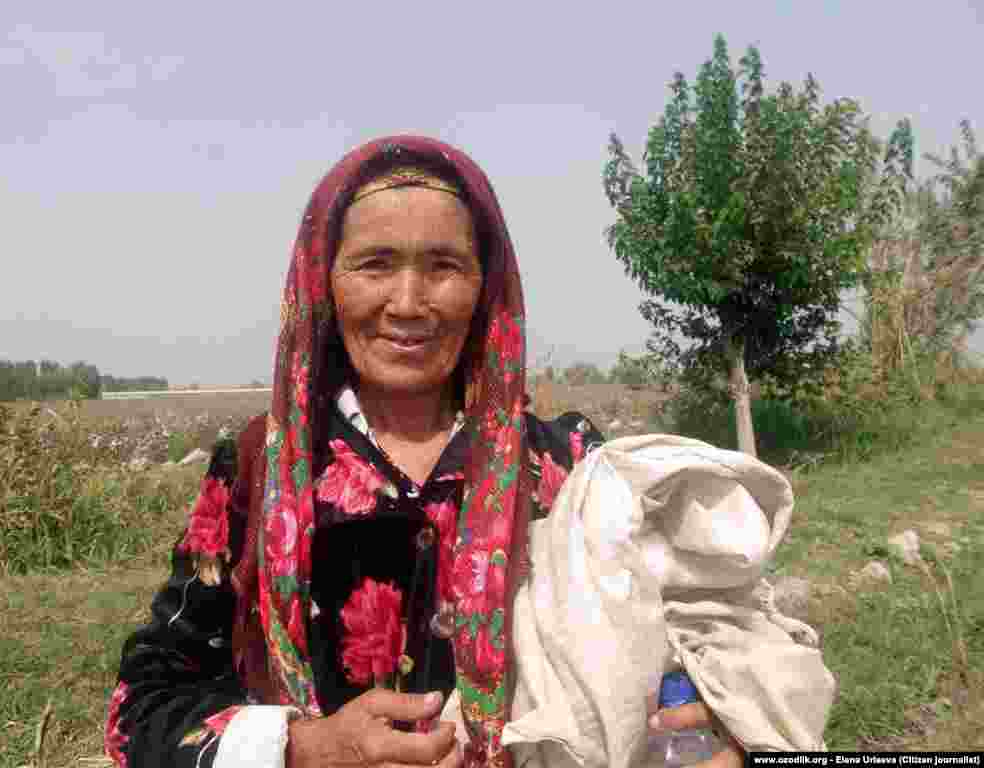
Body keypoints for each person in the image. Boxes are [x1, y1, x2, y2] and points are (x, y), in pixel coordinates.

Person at [104, 136, 745, 768]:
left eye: (444, 266)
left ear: (485, 286)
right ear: (324, 283)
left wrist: (727, 724)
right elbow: (141, 711)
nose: (408, 304)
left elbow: (703, 648)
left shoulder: (570, 468)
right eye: (374, 264)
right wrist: (303, 748)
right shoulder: (258, 469)